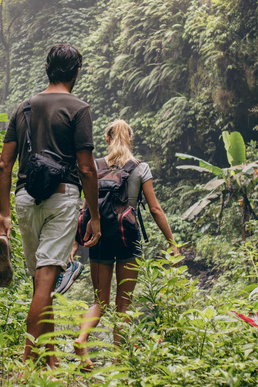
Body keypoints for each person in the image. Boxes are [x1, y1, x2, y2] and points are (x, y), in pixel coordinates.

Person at [0, 43, 102, 369]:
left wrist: (4, 213)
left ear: (47, 69)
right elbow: (88, 169)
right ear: (76, 72)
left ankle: (48, 359)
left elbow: (4, 165)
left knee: (40, 280)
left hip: (23, 199)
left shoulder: (23, 108)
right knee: (47, 279)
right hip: (61, 198)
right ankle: (29, 359)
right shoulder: (78, 109)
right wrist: (93, 216)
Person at [73, 119, 180, 369]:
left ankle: (81, 339)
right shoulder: (140, 168)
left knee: (101, 301)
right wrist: (172, 242)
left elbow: (85, 208)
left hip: (98, 237)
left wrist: (76, 243)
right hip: (127, 238)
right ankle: (119, 361)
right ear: (130, 138)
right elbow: (154, 208)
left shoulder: (96, 166)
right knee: (124, 304)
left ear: (108, 139)